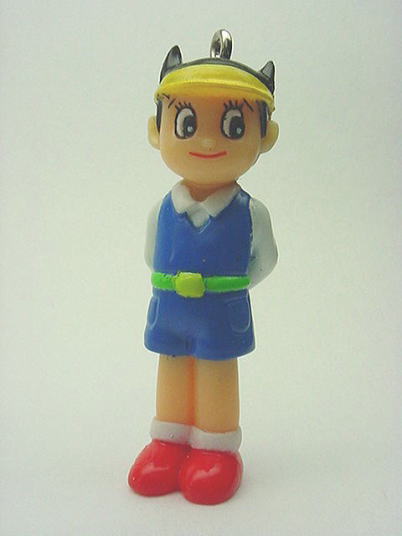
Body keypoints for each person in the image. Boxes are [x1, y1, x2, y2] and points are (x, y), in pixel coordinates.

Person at [128, 30, 279, 505]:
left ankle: (216, 448)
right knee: (172, 369)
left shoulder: (250, 213)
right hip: (171, 308)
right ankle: (168, 442)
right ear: (157, 132)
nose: (208, 140)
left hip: (219, 312)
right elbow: (151, 254)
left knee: (215, 373)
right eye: (187, 122)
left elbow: (265, 260)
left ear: (265, 137)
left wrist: (230, 288)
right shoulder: (162, 210)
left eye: (233, 125)